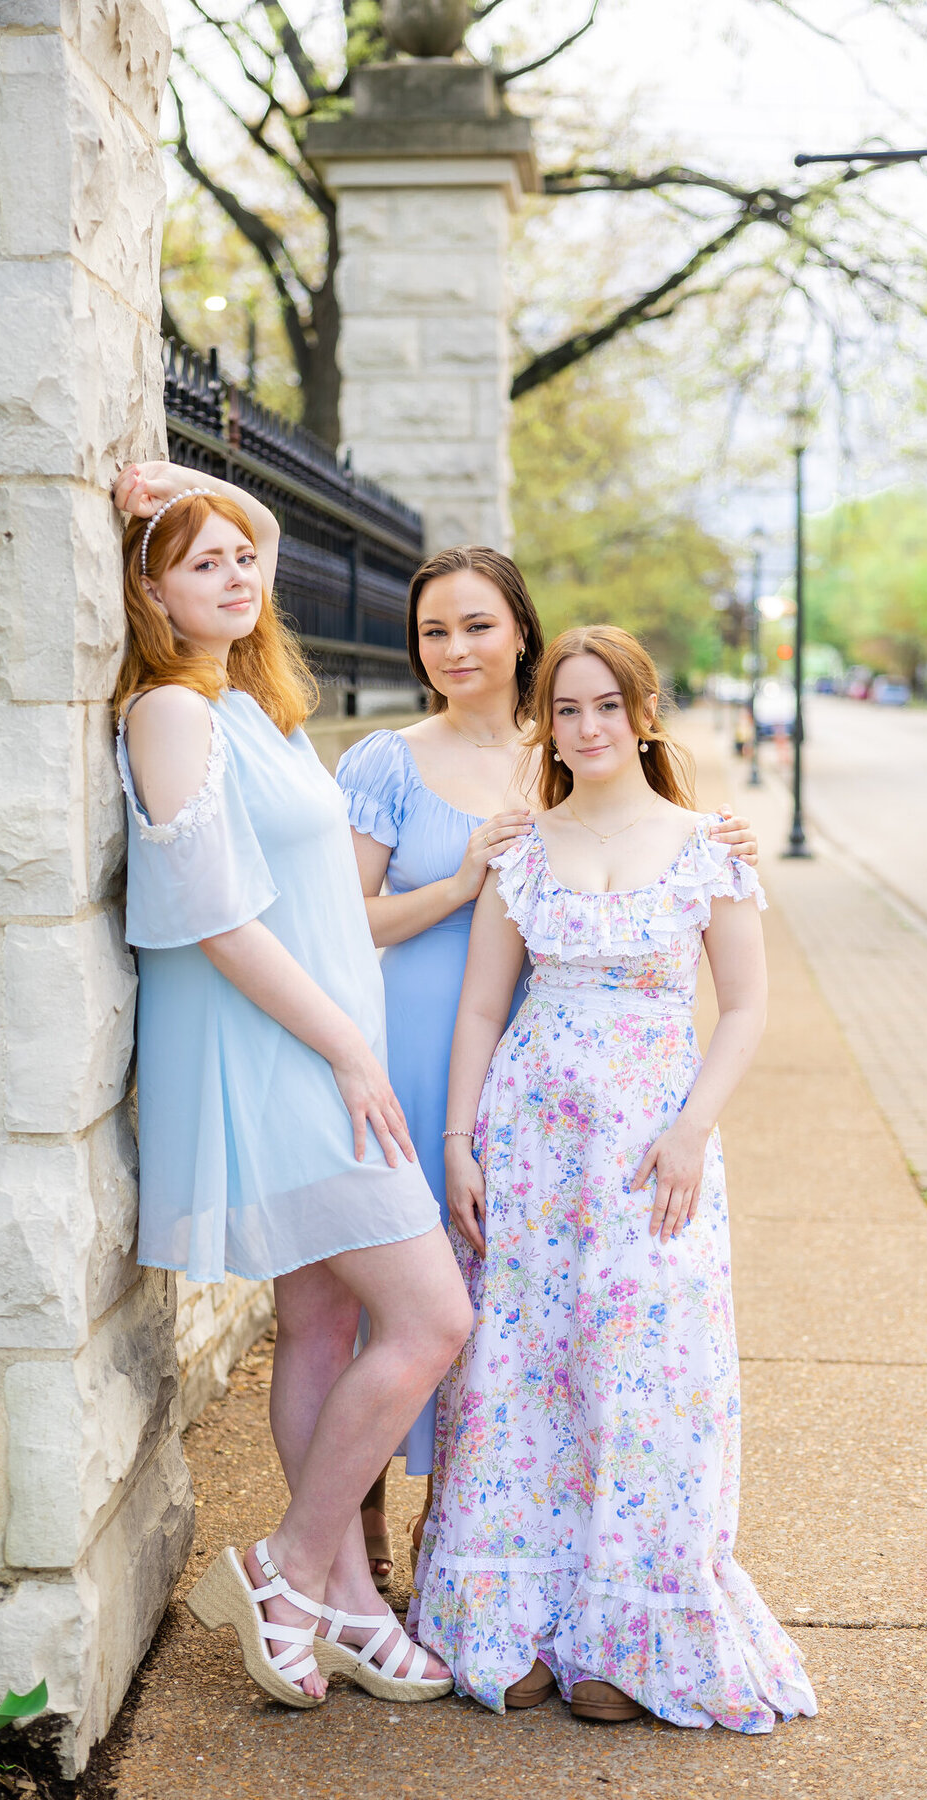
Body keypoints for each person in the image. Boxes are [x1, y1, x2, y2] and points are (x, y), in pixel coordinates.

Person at [109, 460, 471, 1709]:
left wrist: (191, 487)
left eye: (243, 560)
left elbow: (260, 525)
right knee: (432, 1319)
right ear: (150, 595)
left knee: (323, 1324)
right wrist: (350, 1048)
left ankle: (352, 1617)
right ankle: (292, 1566)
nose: (239, 571)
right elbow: (218, 923)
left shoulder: (250, 708)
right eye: (200, 563)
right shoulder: (171, 714)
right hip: (285, 1060)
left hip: (318, 1048)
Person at [414, 625, 817, 1730]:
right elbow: (485, 1006)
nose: (586, 728)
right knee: (525, 1365)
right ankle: (517, 1614)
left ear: (644, 716)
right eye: (567, 708)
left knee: (646, 1370)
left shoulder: (709, 846)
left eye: (606, 707)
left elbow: (743, 1007)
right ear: (548, 722)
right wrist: (458, 1143)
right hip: (531, 1140)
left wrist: (693, 1128)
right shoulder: (521, 849)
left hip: (651, 1144)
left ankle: (626, 1628)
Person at [337, 549, 760, 1588]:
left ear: (520, 632)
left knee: (597, 1344)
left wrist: (691, 1127)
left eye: (476, 625)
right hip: (457, 1080)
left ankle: (606, 1582)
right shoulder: (426, 781)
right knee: (457, 1326)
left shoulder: (585, 780)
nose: (454, 649)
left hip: (614, 1109)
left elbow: (740, 989)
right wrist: (462, 881)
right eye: (434, 631)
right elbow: (366, 936)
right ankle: (389, 1550)